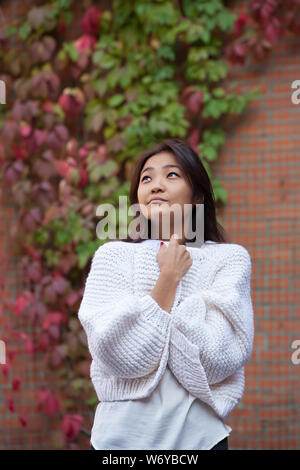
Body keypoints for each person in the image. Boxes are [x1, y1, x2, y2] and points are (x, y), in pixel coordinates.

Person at [78, 138, 255, 450]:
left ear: (197, 195)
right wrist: (169, 279)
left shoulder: (229, 260)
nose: (156, 185)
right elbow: (119, 355)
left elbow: (218, 358)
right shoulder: (112, 256)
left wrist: (145, 317)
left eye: (171, 175)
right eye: (147, 178)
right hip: (118, 442)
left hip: (201, 441)